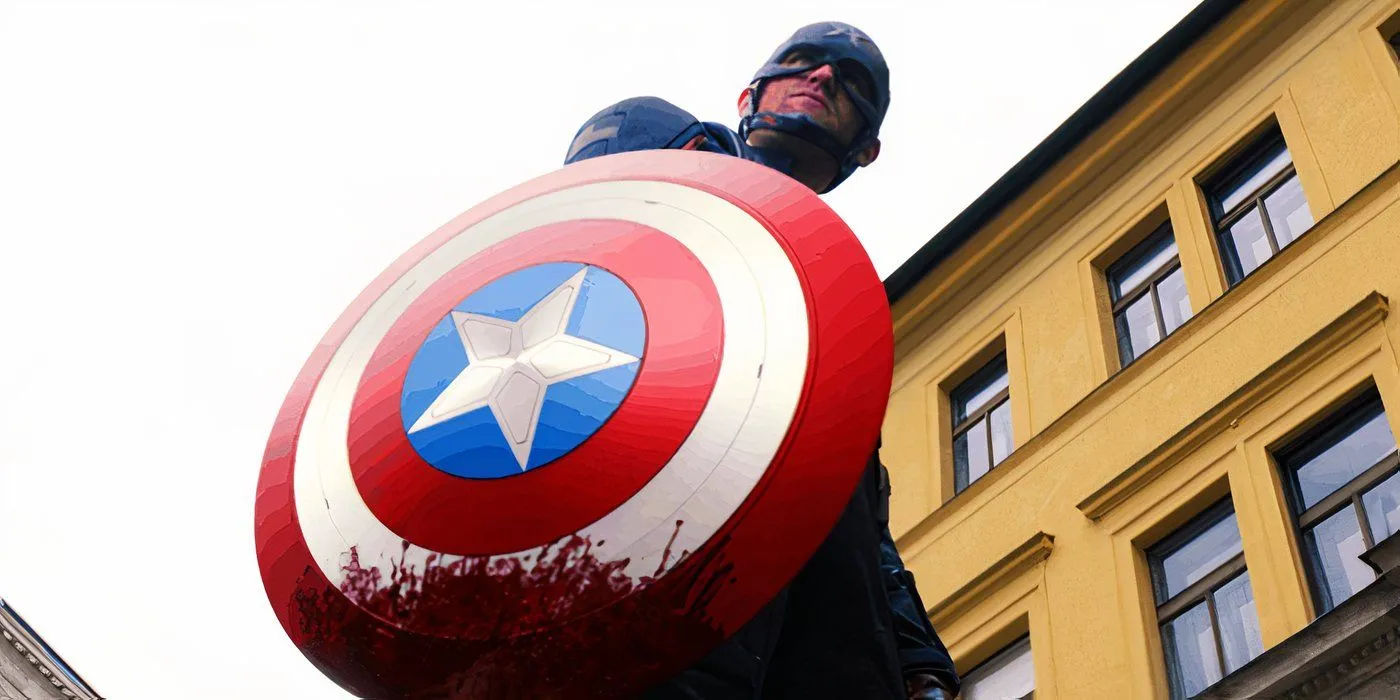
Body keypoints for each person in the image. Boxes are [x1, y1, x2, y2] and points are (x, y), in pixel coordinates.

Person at [564, 22, 961, 700]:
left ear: (867, 149)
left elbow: (858, 515)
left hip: (811, 625)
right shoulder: (663, 139)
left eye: (852, 81)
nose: (826, 77)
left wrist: (916, 655)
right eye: (804, 62)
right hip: (657, 537)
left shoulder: (832, 307)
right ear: (751, 94)